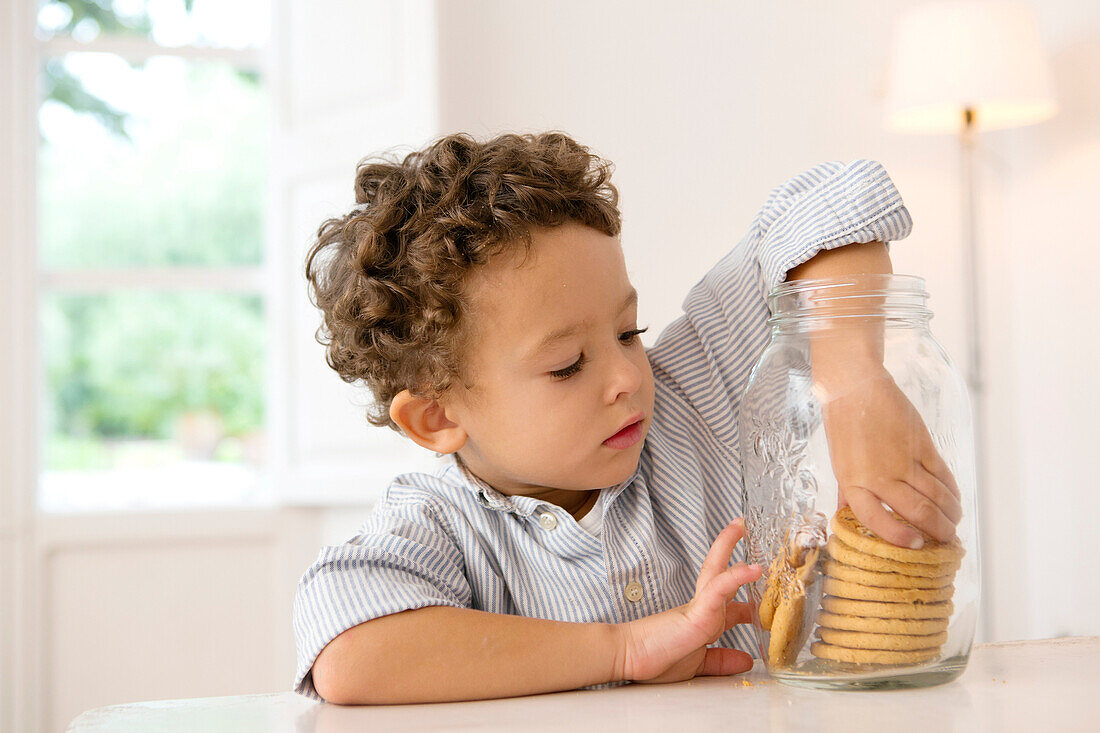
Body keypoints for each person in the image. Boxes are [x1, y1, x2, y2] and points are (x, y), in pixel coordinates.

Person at [292, 132, 962, 704]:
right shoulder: (441, 524)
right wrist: (623, 650)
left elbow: (836, 201)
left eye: (627, 330)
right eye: (566, 365)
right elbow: (349, 652)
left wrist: (852, 382)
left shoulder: (693, 388)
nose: (625, 377)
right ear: (437, 417)